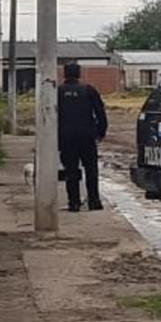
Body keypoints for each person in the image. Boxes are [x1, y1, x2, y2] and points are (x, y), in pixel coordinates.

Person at [58, 62, 108, 212]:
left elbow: (51, 115)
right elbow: (100, 113)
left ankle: (73, 202)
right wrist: (101, 132)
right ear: (79, 74)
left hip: (66, 136)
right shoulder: (88, 90)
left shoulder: (58, 91)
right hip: (87, 136)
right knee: (91, 169)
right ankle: (94, 201)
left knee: (71, 170)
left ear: (64, 74)